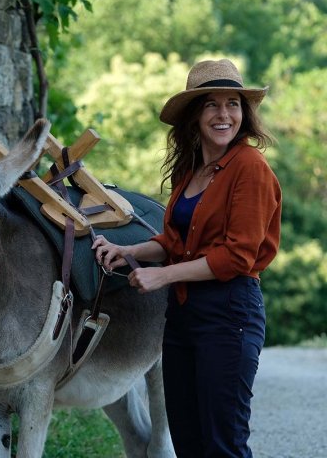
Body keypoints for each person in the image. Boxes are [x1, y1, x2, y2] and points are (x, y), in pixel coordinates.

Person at [92, 58, 282, 458]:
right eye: (211, 104)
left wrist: (161, 278)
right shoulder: (191, 171)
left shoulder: (250, 167)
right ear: (195, 115)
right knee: (189, 443)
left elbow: (237, 256)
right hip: (182, 317)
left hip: (229, 315)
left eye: (232, 104)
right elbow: (175, 241)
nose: (223, 114)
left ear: (243, 113)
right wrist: (128, 252)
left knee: (223, 445)